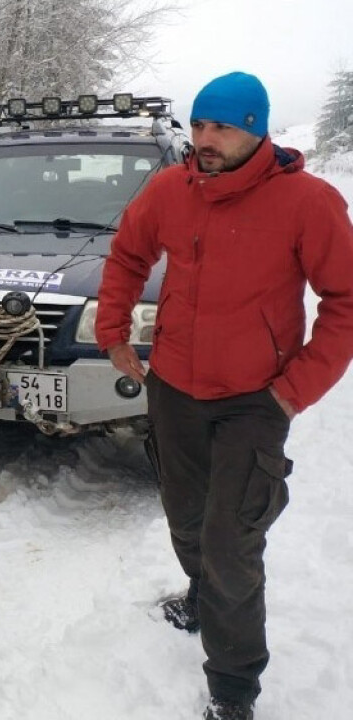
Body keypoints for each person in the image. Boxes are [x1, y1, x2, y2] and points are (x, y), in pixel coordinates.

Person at [96, 71, 353, 720]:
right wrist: (114, 331)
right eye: (199, 125)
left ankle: (233, 689)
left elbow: (347, 303)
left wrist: (292, 392)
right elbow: (127, 255)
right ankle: (199, 592)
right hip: (175, 390)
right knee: (185, 517)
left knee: (231, 543)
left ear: (256, 130)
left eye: (222, 127)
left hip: (254, 402)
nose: (205, 139)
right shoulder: (170, 189)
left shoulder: (307, 203)